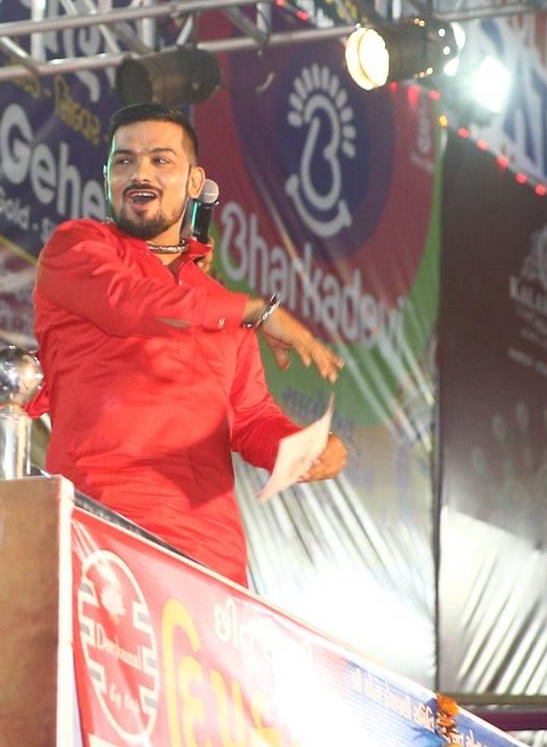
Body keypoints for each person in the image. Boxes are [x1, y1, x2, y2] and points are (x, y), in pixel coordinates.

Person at [33, 103, 347, 588]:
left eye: (161, 160)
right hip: (100, 529)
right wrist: (254, 311)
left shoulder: (219, 301)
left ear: (195, 183)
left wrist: (301, 450)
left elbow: (251, 417)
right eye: (124, 161)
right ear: (106, 176)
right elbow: (128, 304)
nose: (140, 172)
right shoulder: (76, 247)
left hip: (210, 555)